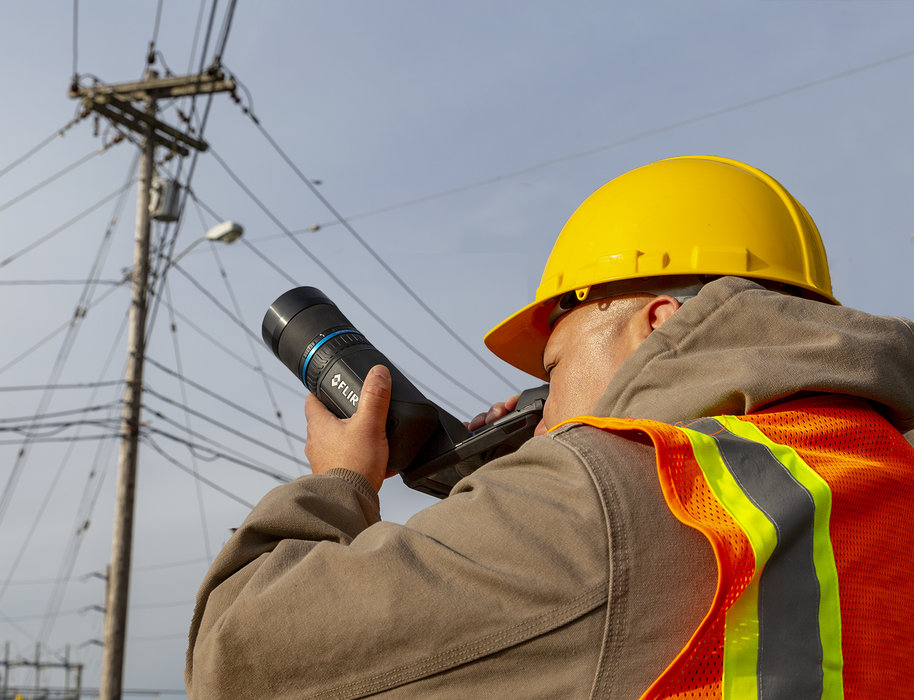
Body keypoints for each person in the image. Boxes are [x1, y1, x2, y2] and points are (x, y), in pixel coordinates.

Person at [185, 156, 914, 698]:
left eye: (554, 371)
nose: (542, 414)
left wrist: (337, 481)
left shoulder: (608, 496)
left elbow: (238, 659)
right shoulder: (881, 476)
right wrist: (510, 477)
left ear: (660, 323)